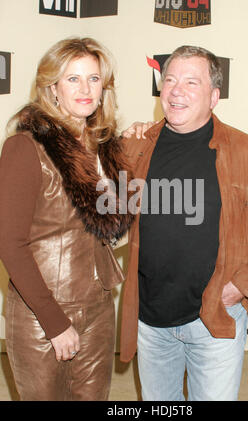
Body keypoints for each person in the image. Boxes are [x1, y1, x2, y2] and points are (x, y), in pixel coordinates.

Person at [119, 45, 248, 401]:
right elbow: (107, 211)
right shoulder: (136, 146)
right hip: (151, 318)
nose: (176, 90)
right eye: (170, 80)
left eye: (191, 82)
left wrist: (241, 285)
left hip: (215, 318)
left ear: (214, 96)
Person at [0, 37, 135, 401]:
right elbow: (10, 243)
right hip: (42, 314)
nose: (85, 89)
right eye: (72, 79)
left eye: (94, 79)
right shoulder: (25, 147)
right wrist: (54, 321)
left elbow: (109, 224)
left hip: (99, 308)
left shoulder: (104, 147)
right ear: (52, 87)